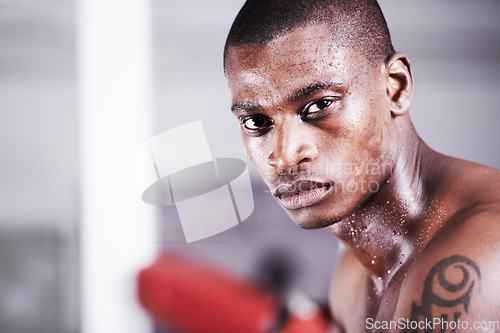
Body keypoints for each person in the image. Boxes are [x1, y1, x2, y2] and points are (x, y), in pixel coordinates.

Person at [223, 0, 500, 331]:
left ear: (395, 87)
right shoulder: (354, 268)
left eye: (319, 105)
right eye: (256, 121)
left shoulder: (479, 255)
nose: (283, 156)